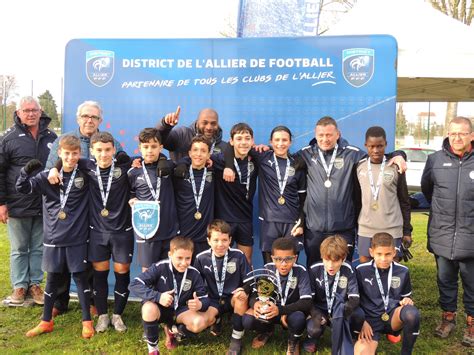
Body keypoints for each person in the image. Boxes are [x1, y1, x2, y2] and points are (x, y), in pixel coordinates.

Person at [47, 132, 133, 333]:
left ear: (114, 150)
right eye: (99, 150)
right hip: (97, 232)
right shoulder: (86, 166)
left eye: (108, 150)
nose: (104, 154)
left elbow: (150, 159)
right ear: (92, 152)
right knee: (99, 274)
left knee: (122, 272)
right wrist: (54, 168)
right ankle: (102, 315)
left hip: (122, 232)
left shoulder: (124, 166)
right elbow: (65, 156)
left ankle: (118, 315)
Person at [296, 116, 406, 267]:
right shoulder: (306, 154)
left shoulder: (352, 154)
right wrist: (263, 151)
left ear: (338, 134)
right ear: (315, 135)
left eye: (329, 135)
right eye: (321, 135)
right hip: (315, 228)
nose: (325, 139)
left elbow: (376, 156)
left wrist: (398, 154)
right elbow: (283, 158)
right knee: (314, 269)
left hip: (343, 228)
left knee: (344, 272)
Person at [45, 100, 122, 316]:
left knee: (88, 256)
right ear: (78, 118)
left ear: (101, 120)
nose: (89, 120)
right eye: (85, 116)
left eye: (94, 117)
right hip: (69, 207)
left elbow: (121, 165)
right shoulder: (64, 139)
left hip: (97, 208)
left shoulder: (110, 141)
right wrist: (54, 170)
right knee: (61, 254)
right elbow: (51, 167)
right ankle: (60, 302)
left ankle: (89, 301)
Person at [17, 135, 94, 338]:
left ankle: (87, 321)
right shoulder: (46, 177)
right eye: (66, 153)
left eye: (75, 154)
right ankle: (45, 321)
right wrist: (25, 172)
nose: (70, 157)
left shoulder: (85, 174)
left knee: (80, 278)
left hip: (77, 237)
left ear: (80, 154)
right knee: (52, 279)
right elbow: (22, 188)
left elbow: (101, 165)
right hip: (53, 238)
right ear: (59, 153)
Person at [421, 116, 474, 347]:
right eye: (453, 133)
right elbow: (427, 190)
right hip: (442, 235)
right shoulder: (434, 160)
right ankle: (448, 318)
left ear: (472, 135)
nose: (457, 137)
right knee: (445, 280)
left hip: (471, 238)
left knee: (472, 284)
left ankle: (472, 323)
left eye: (462, 133)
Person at [0, 96, 57, 305]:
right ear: (18, 113)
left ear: (41, 111)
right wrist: (2, 203)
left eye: (34, 110)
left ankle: (35, 285)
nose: (31, 114)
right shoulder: (9, 138)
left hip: (44, 203)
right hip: (17, 203)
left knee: (39, 247)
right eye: (26, 110)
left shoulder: (51, 137)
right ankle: (19, 286)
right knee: (18, 248)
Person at [226, 126, 306, 265]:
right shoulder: (262, 156)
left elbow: (303, 198)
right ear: (271, 142)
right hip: (269, 222)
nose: (280, 143)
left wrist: (302, 223)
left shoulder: (298, 164)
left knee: (290, 267)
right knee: (269, 267)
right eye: (277, 140)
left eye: (284, 140)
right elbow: (233, 146)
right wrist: (228, 165)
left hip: (292, 223)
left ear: (290, 142)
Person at [129, 236, 210, 354]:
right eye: (179, 258)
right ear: (170, 254)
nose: (183, 263)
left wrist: (200, 304)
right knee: (148, 308)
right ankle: (153, 349)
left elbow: (205, 299)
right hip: (161, 308)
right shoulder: (160, 267)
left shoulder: (194, 273)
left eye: (188, 258)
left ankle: (174, 331)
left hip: (181, 310)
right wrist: (158, 297)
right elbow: (134, 284)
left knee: (199, 322)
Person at [242, 238, 312, 354]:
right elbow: (254, 294)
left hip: (291, 311)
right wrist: (256, 304)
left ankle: (293, 341)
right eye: (278, 259)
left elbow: (306, 302)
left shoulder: (301, 271)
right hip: (270, 310)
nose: (283, 264)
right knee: (248, 320)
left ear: (295, 258)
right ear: (272, 258)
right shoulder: (267, 269)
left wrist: (280, 310)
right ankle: (267, 331)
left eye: (288, 259)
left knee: (299, 318)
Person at [355, 233, 420, 355]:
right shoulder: (361, 270)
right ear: (371, 252)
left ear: (394, 253)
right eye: (379, 254)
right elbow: (354, 301)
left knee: (412, 313)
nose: (384, 259)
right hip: (369, 321)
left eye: (388, 254)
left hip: (391, 317)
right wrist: (361, 322)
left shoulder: (403, 271)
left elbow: (406, 296)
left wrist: (407, 300)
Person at [356, 126, 412, 263]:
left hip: (392, 229)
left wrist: (407, 231)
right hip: (366, 229)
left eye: (380, 146)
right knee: (365, 269)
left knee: (392, 269)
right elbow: (356, 199)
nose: (376, 150)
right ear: (366, 145)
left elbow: (404, 200)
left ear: (386, 144)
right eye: (372, 146)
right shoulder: (359, 166)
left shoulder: (395, 166)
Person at [194, 219, 251, 355]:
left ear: (230, 240)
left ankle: (236, 339)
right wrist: (200, 300)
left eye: (224, 240)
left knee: (241, 298)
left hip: (232, 298)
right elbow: (196, 284)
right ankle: (216, 318)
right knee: (200, 324)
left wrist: (245, 290)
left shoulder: (238, 255)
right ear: (208, 241)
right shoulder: (201, 258)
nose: (220, 244)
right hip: (213, 300)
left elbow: (250, 280)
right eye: (216, 240)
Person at [128, 128, 178, 270]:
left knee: (169, 271)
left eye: (154, 146)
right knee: (148, 271)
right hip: (146, 230)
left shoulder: (170, 167)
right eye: (146, 146)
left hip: (169, 229)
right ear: (140, 148)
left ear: (161, 148)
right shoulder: (133, 172)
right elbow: (130, 192)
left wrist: (163, 158)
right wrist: (132, 199)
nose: (150, 150)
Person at [305, 235, 362, 354]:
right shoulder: (314, 269)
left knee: (359, 315)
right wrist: (314, 313)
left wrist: (344, 311)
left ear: (343, 258)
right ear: (322, 256)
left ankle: (352, 336)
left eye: (335, 261)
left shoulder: (349, 269)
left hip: (339, 309)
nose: (330, 265)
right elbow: (309, 299)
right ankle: (312, 338)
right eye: (327, 260)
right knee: (314, 329)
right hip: (321, 309)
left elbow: (355, 298)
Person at [212, 123, 258, 265]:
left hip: (245, 218)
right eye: (239, 138)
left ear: (252, 141)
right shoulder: (219, 160)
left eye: (247, 138)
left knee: (246, 261)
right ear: (231, 141)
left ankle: (246, 288)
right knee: (221, 261)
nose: (243, 142)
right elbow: (196, 158)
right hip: (225, 219)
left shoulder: (257, 159)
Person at [173, 136, 215, 256]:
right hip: (183, 235)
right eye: (195, 150)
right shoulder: (178, 172)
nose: (199, 154)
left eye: (203, 151)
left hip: (205, 236)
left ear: (208, 155)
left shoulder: (214, 173)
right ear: (189, 153)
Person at [157, 106, 227, 162]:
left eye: (213, 123)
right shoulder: (182, 135)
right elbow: (158, 139)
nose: (209, 127)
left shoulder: (224, 147)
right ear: (197, 123)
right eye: (204, 123)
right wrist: (165, 125)